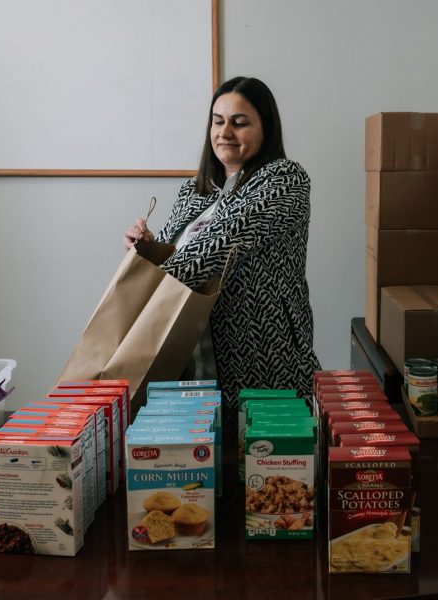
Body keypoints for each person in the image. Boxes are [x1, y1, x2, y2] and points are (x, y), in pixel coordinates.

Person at [124, 76, 321, 435]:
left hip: (262, 356)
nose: (225, 132)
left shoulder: (284, 178)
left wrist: (147, 280)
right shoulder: (193, 191)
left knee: (261, 471)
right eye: (218, 121)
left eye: (239, 122)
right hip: (193, 359)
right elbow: (180, 252)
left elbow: (217, 245)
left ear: (266, 127)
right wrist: (149, 247)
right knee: (198, 469)